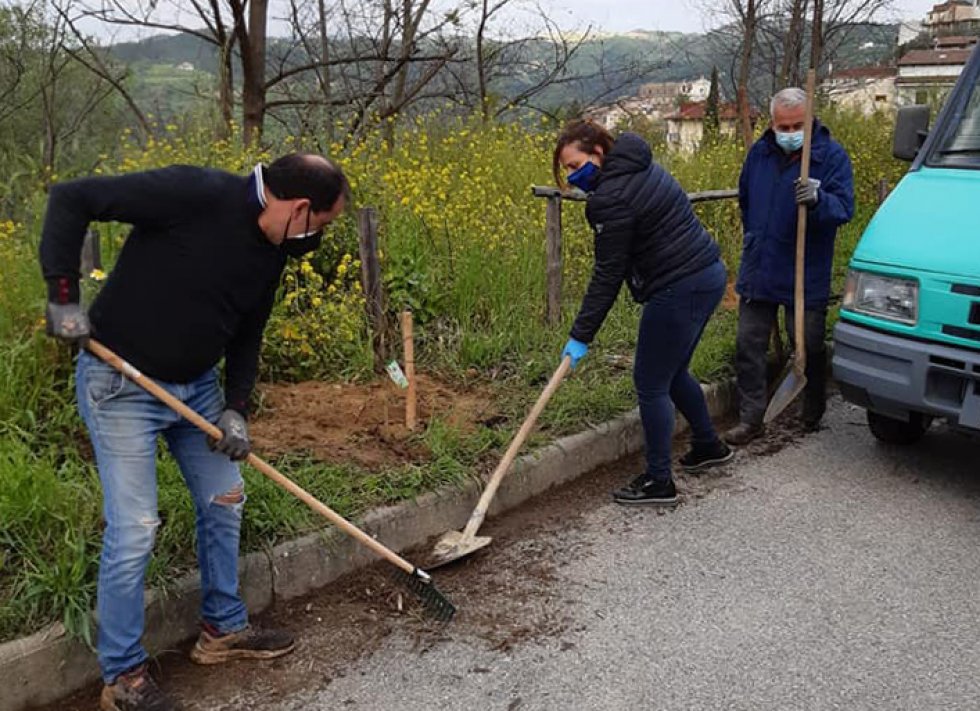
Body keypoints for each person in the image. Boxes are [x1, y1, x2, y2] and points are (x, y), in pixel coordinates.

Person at [39, 153, 348, 711]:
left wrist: (235, 408)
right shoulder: (193, 192)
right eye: (320, 224)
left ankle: (222, 630)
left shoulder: (272, 250)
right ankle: (123, 679)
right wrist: (63, 297)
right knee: (135, 528)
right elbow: (72, 196)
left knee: (225, 496)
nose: (315, 238)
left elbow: (248, 333)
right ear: (299, 206)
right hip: (120, 384)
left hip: (197, 389)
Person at [554, 120, 733, 507]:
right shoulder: (638, 163)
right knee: (673, 373)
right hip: (708, 274)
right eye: (566, 170)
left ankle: (658, 481)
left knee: (651, 381)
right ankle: (708, 445)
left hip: (679, 287)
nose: (571, 176)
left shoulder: (611, 198)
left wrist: (581, 335)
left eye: (574, 165)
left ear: (598, 153)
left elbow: (607, 275)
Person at [724, 87, 855, 446]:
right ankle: (751, 418)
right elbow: (746, 199)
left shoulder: (829, 157)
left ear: (810, 121)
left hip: (805, 267)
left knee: (809, 345)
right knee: (748, 344)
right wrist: (756, 237)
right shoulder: (760, 154)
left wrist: (819, 199)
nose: (790, 132)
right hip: (761, 264)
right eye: (784, 126)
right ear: (773, 123)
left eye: (798, 125)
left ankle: (810, 410)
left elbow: (844, 208)